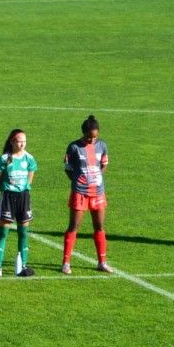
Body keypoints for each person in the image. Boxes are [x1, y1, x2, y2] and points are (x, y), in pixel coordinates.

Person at [62, 115, 111, 274]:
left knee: (99, 226)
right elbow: (68, 169)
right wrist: (78, 182)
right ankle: (66, 263)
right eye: (89, 137)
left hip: (98, 192)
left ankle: (102, 262)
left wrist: (97, 177)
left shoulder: (102, 145)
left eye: (94, 137)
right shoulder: (74, 147)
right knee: (74, 226)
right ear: (83, 133)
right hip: (80, 192)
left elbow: (103, 165)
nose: (92, 140)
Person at [0, 129, 37, 277]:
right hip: (8, 197)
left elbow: (30, 176)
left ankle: (23, 264)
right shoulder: (5, 159)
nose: (22, 143)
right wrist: (5, 190)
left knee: (23, 233)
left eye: (24, 141)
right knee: (3, 233)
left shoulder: (29, 158)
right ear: (12, 142)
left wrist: (24, 188)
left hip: (23, 197)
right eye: (19, 141)